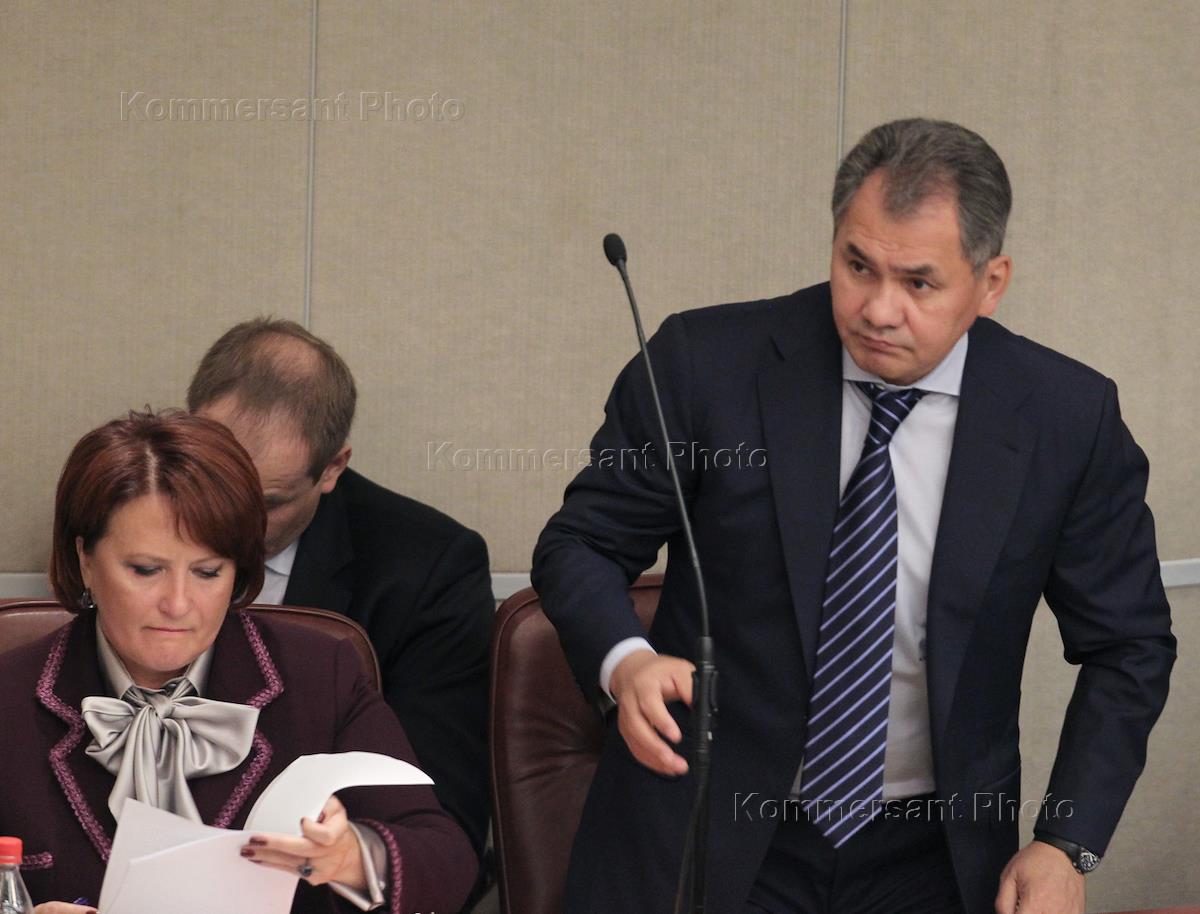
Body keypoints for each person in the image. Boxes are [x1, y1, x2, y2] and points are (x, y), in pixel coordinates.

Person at [532, 118, 1175, 914]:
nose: (878, 309)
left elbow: (1128, 645)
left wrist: (1066, 841)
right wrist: (624, 661)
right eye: (857, 265)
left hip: (933, 854)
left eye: (919, 283)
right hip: (703, 828)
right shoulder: (706, 365)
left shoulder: (1064, 417)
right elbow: (583, 543)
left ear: (991, 282)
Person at [0, 410, 477, 914]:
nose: (178, 604)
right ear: (85, 560)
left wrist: (353, 855)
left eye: (207, 572)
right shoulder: (8, 698)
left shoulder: (320, 675)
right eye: (145, 570)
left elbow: (446, 860)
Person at [185, 319, 494, 863]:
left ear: (333, 468)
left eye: (269, 501)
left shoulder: (428, 568)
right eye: (216, 483)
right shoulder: (127, 523)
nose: (233, 520)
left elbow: (438, 817)